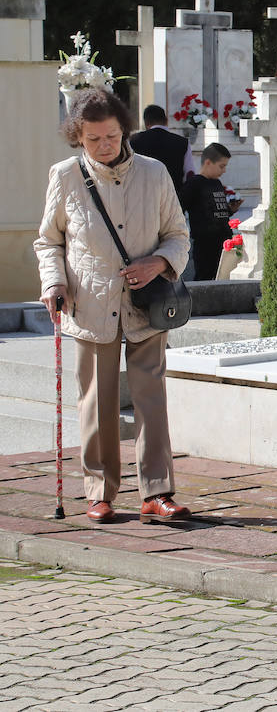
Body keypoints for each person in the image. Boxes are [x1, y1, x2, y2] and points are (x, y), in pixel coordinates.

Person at [34, 90, 193, 524]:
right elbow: (49, 240)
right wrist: (54, 283)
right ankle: (98, 492)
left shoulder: (154, 173)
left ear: (124, 129)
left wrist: (158, 262)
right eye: (93, 139)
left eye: (111, 135)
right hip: (89, 304)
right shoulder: (64, 176)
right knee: (97, 403)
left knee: (151, 400)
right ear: (77, 138)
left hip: (146, 305)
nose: (105, 146)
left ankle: (157, 493)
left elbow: (179, 235)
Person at [181, 142, 242, 281]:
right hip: (205, 244)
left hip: (224, 240)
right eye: (222, 166)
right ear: (208, 162)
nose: (224, 170)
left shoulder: (217, 183)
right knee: (205, 278)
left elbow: (218, 209)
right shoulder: (194, 184)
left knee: (223, 276)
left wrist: (230, 210)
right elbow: (180, 208)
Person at [130, 104, 193, 203]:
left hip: (143, 200)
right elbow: (189, 174)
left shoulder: (134, 140)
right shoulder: (182, 142)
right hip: (173, 200)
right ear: (166, 121)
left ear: (146, 123)